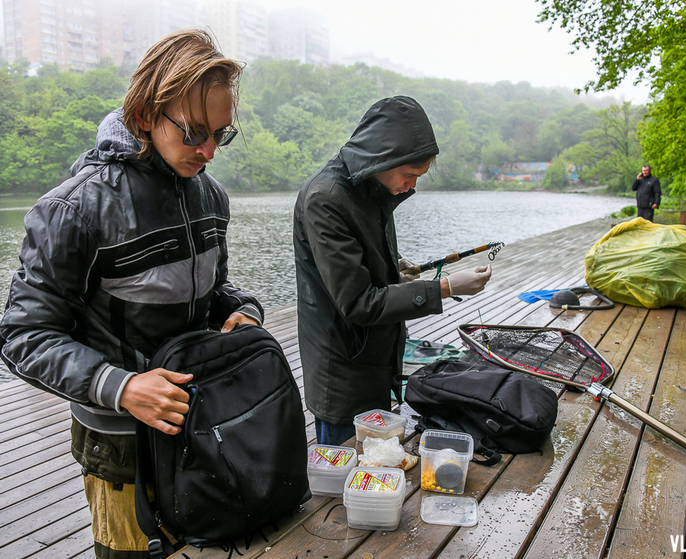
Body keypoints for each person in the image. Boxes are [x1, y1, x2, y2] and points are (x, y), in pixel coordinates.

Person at [0, 30, 263, 559]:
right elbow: (21, 336)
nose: (208, 152)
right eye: (193, 132)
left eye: (220, 135)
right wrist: (121, 387)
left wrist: (243, 311)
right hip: (120, 447)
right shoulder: (74, 209)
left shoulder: (210, 195)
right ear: (144, 116)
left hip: (200, 422)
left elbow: (215, 291)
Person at [293, 95, 492, 446]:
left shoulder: (373, 187)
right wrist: (445, 286)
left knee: (378, 461)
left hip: (376, 358)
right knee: (345, 473)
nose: (412, 185)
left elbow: (358, 258)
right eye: (409, 174)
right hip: (341, 367)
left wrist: (393, 265)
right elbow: (359, 303)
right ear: (383, 158)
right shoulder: (325, 199)